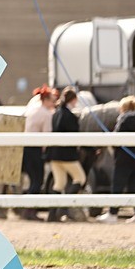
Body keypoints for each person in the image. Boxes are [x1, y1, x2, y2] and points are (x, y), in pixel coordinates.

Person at [96, 96, 135, 224]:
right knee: (133, 188)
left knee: (117, 186)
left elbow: (116, 140)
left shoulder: (124, 120)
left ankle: (113, 214)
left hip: (125, 160)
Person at [45, 86, 88, 222]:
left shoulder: (56, 113)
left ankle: (52, 215)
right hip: (67, 155)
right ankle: (64, 208)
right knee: (80, 178)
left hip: (54, 154)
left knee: (59, 183)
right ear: (73, 99)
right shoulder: (69, 115)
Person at [18, 85, 57, 220]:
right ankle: (30, 210)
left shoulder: (32, 109)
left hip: (24, 147)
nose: (54, 103)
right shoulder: (46, 114)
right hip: (35, 149)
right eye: (52, 100)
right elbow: (47, 136)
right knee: (37, 180)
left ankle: (26, 209)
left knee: (31, 178)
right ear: (46, 100)